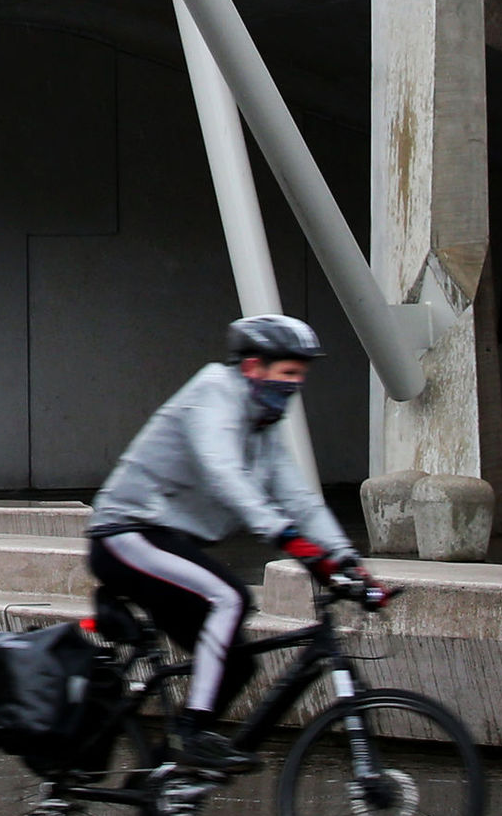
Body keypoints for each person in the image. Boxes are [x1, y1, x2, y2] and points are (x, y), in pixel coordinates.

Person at [86, 313, 377, 774]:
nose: (295, 385)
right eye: (288, 372)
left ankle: (167, 779)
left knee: (237, 665)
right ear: (253, 368)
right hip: (126, 533)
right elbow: (226, 475)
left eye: (302, 374)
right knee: (230, 597)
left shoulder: (263, 426)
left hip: (168, 544)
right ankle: (192, 732)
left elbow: (301, 500)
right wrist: (291, 542)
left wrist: (348, 562)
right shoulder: (213, 394)